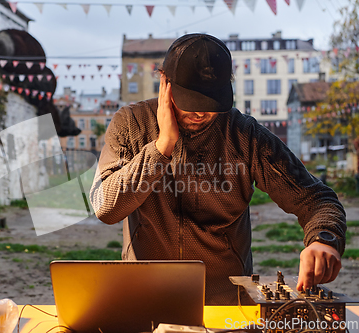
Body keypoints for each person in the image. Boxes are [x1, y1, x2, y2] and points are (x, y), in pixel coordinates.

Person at [89, 33, 346, 305]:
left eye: (211, 103)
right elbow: (106, 208)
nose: (200, 113)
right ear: (164, 82)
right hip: (146, 295)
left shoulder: (245, 136)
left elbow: (317, 199)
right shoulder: (131, 125)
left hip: (226, 301)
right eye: (190, 101)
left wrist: (324, 239)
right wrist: (161, 147)